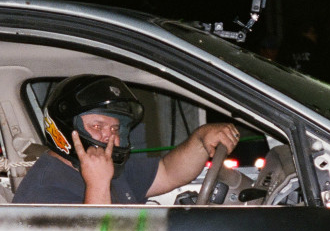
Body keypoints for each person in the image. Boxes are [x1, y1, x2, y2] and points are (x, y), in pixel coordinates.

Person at [13, 75, 239, 205]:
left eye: (115, 128)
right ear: (67, 128)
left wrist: (201, 138)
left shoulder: (106, 167)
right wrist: (98, 185)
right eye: (97, 126)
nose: (109, 136)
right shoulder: (44, 191)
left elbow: (168, 172)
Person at [277, 21, 330, 88]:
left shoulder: (286, 49)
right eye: (313, 33)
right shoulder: (317, 49)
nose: (316, 36)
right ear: (304, 33)